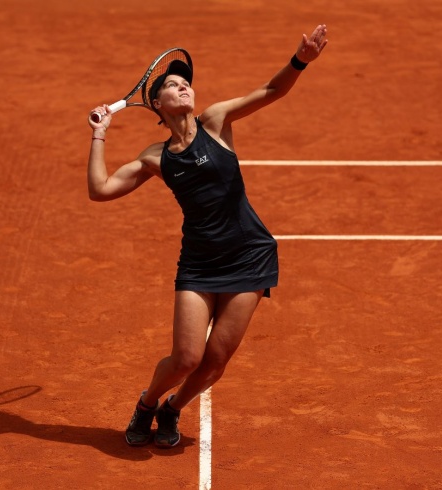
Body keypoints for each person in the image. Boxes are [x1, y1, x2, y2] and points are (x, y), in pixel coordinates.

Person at [87, 25, 328, 448]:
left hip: (250, 255)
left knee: (215, 362)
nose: (183, 87)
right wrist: (99, 132)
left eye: (186, 83)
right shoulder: (155, 157)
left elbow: (271, 90)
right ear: (157, 104)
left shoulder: (215, 121)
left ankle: (172, 409)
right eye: (172, 85)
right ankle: (147, 404)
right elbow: (100, 189)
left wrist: (300, 61)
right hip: (199, 263)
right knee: (186, 358)